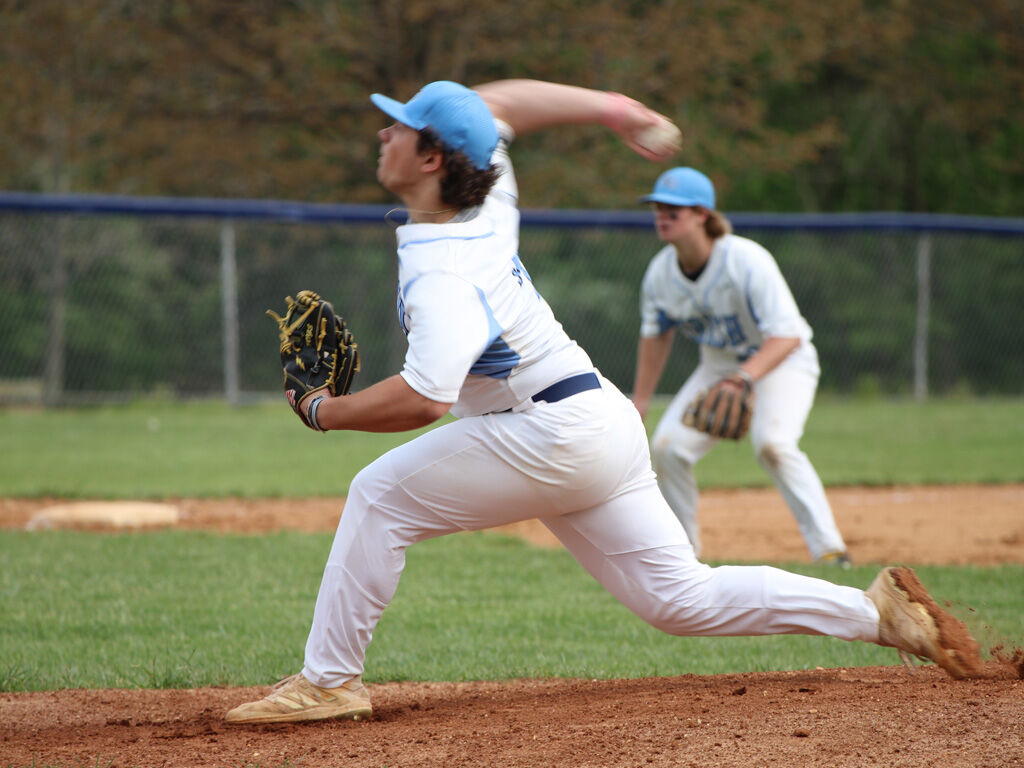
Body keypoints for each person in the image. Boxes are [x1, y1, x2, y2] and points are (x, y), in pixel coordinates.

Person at [224, 79, 979, 724]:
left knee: (379, 496)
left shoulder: (445, 273)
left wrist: (324, 411)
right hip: (593, 421)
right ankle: (873, 614)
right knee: (680, 600)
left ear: (430, 159)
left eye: (401, 125)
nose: (382, 130)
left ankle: (327, 682)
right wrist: (616, 108)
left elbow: (424, 398)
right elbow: (497, 104)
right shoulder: (484, 184)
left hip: (544, 431)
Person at [631, 166, 851, 566]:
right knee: (667, 448)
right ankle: (685, 555)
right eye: (658, 209)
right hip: (719, 367)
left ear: (702, 215)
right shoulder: (660, 273)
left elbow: (788, 336)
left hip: (783, 361)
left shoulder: (746, 260)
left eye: (673, 211)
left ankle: (830, 549)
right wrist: (641, 400)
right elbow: (655, 334)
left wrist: (744, 377)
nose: (662, 217)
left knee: (773, 445)